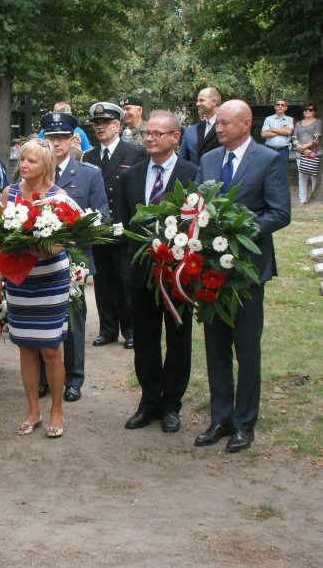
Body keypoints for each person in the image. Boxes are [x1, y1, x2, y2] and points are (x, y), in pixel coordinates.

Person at [195, 99, 291, 452]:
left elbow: (280, 213)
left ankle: (244, 423)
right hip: (209, 271)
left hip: (248, 271)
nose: (218, 128)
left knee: (246, 348)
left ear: (246, 124)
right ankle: (220, 417)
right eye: (216, 123)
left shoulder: (268, 160)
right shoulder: (207, 160)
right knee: (215, 346)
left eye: (224, 123)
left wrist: (238, 231)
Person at [120, 111, 199, 433]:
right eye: (147, 133)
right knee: (146, 341)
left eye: (157, 133)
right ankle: (149, 401)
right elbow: (127, 223)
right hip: (142, 273)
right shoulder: (131, 176)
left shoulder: (192, 174)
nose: (149, 138)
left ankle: (171, 404)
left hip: (178, 275)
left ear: (175, 137)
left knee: (179, 339)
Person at [0, 139, 70, 438]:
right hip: (19, 280)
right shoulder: (8, 193)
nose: (23, 165)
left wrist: (38, 248)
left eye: (31, 161)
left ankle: (56, 409)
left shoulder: (58, 196)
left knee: (51, 349)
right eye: (22, 159)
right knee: (25, 347)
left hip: (50, 279)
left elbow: (62, 242)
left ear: (46, 166)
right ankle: (33, 410)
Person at [38, 111, 109, 402]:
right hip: (41, 260)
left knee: (74, 320)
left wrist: (71, 234)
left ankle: (73, 378)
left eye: (61, 138)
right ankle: (44, 378)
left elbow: (101, 217)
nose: (56, 143)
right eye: (50, 137)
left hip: (74, 260)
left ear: (72, 140)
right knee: (43, 320)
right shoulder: (35, 171)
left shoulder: (88, 174)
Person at [83, 102, 147, 349]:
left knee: (125, 281)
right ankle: (107, 329)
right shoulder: (89, 157)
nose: (100, 128)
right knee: (103, 282)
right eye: (96, 124)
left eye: (105, 123)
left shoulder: (133, 153)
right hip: (99, 228)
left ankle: (130, 329)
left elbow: (136, 192)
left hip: (124, 227)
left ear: (117, 125)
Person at [178, 87, 221, 166]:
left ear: (214, 102)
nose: (197, 104)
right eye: (197, 100)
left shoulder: (225, 126)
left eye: (201, 100)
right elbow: (183, 160)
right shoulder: (196, 129)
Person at [294, 101, 321, 204]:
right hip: (300, 154)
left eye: (310, 109)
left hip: (313, 153)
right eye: (306, 109)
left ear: (314, 111)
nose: (308, 111)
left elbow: (316, 138)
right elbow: (294, 137)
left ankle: (313, 199)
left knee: (314, 176)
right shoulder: (298, 123)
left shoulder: (318, 122)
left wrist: (304, 148)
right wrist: (299, 147)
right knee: (301, 176)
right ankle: (302, 200)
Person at [261, 98, 294, 165]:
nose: (280, 106)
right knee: (270, 172)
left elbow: (288, 132)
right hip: (270, 150)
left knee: (282, 173)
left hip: (283, 151)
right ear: (275, 107)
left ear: (285, 107)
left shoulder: (289, 119)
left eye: (282, 105)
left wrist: (273, 130)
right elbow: (263, 134)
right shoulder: (268, 119)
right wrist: (282, 131)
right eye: (278, 104)